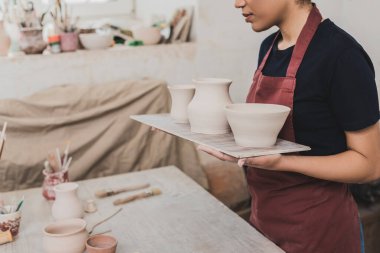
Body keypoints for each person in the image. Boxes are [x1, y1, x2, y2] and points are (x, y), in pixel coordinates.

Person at [198, 1, 380, 252]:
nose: (238, 3)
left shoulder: (341, 54)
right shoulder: (268, 48)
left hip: (319, 231)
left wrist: (282, 162)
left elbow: (370, 165)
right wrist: (231, 143)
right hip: (264, 222)